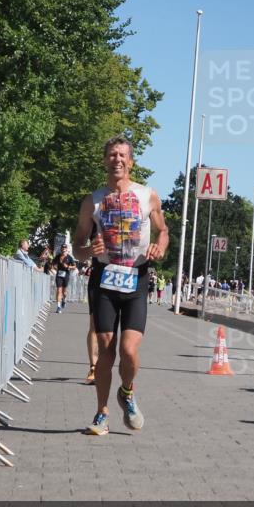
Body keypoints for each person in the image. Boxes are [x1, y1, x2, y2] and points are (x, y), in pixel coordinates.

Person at [72, 136, 168, 436]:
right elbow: (77, 246)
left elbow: (163, 230)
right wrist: (90, 249)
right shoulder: (93, 201)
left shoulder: (147, 195)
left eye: (123, 155)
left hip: (136, 277)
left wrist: (159, 246)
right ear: (104, 160)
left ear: (131, 161)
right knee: (106, 349)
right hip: (104, 278)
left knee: (128, 350)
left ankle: (126, 391)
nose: (117, 159)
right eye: (112, 154)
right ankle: (102, 413)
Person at [53, 244, 77, 312]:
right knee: (59, 290)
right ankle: (58, 306)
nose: (64, 249)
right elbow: (53, 264)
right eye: (62, 247)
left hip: (66, 275)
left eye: (65, 247)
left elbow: (74, 266)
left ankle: (64, 299)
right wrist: (54, 267)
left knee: (64, 292)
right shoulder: (58, 256)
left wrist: (68, 267)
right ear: (61, 249)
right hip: (59, 275)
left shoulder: (69, 257)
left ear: (67, 249)